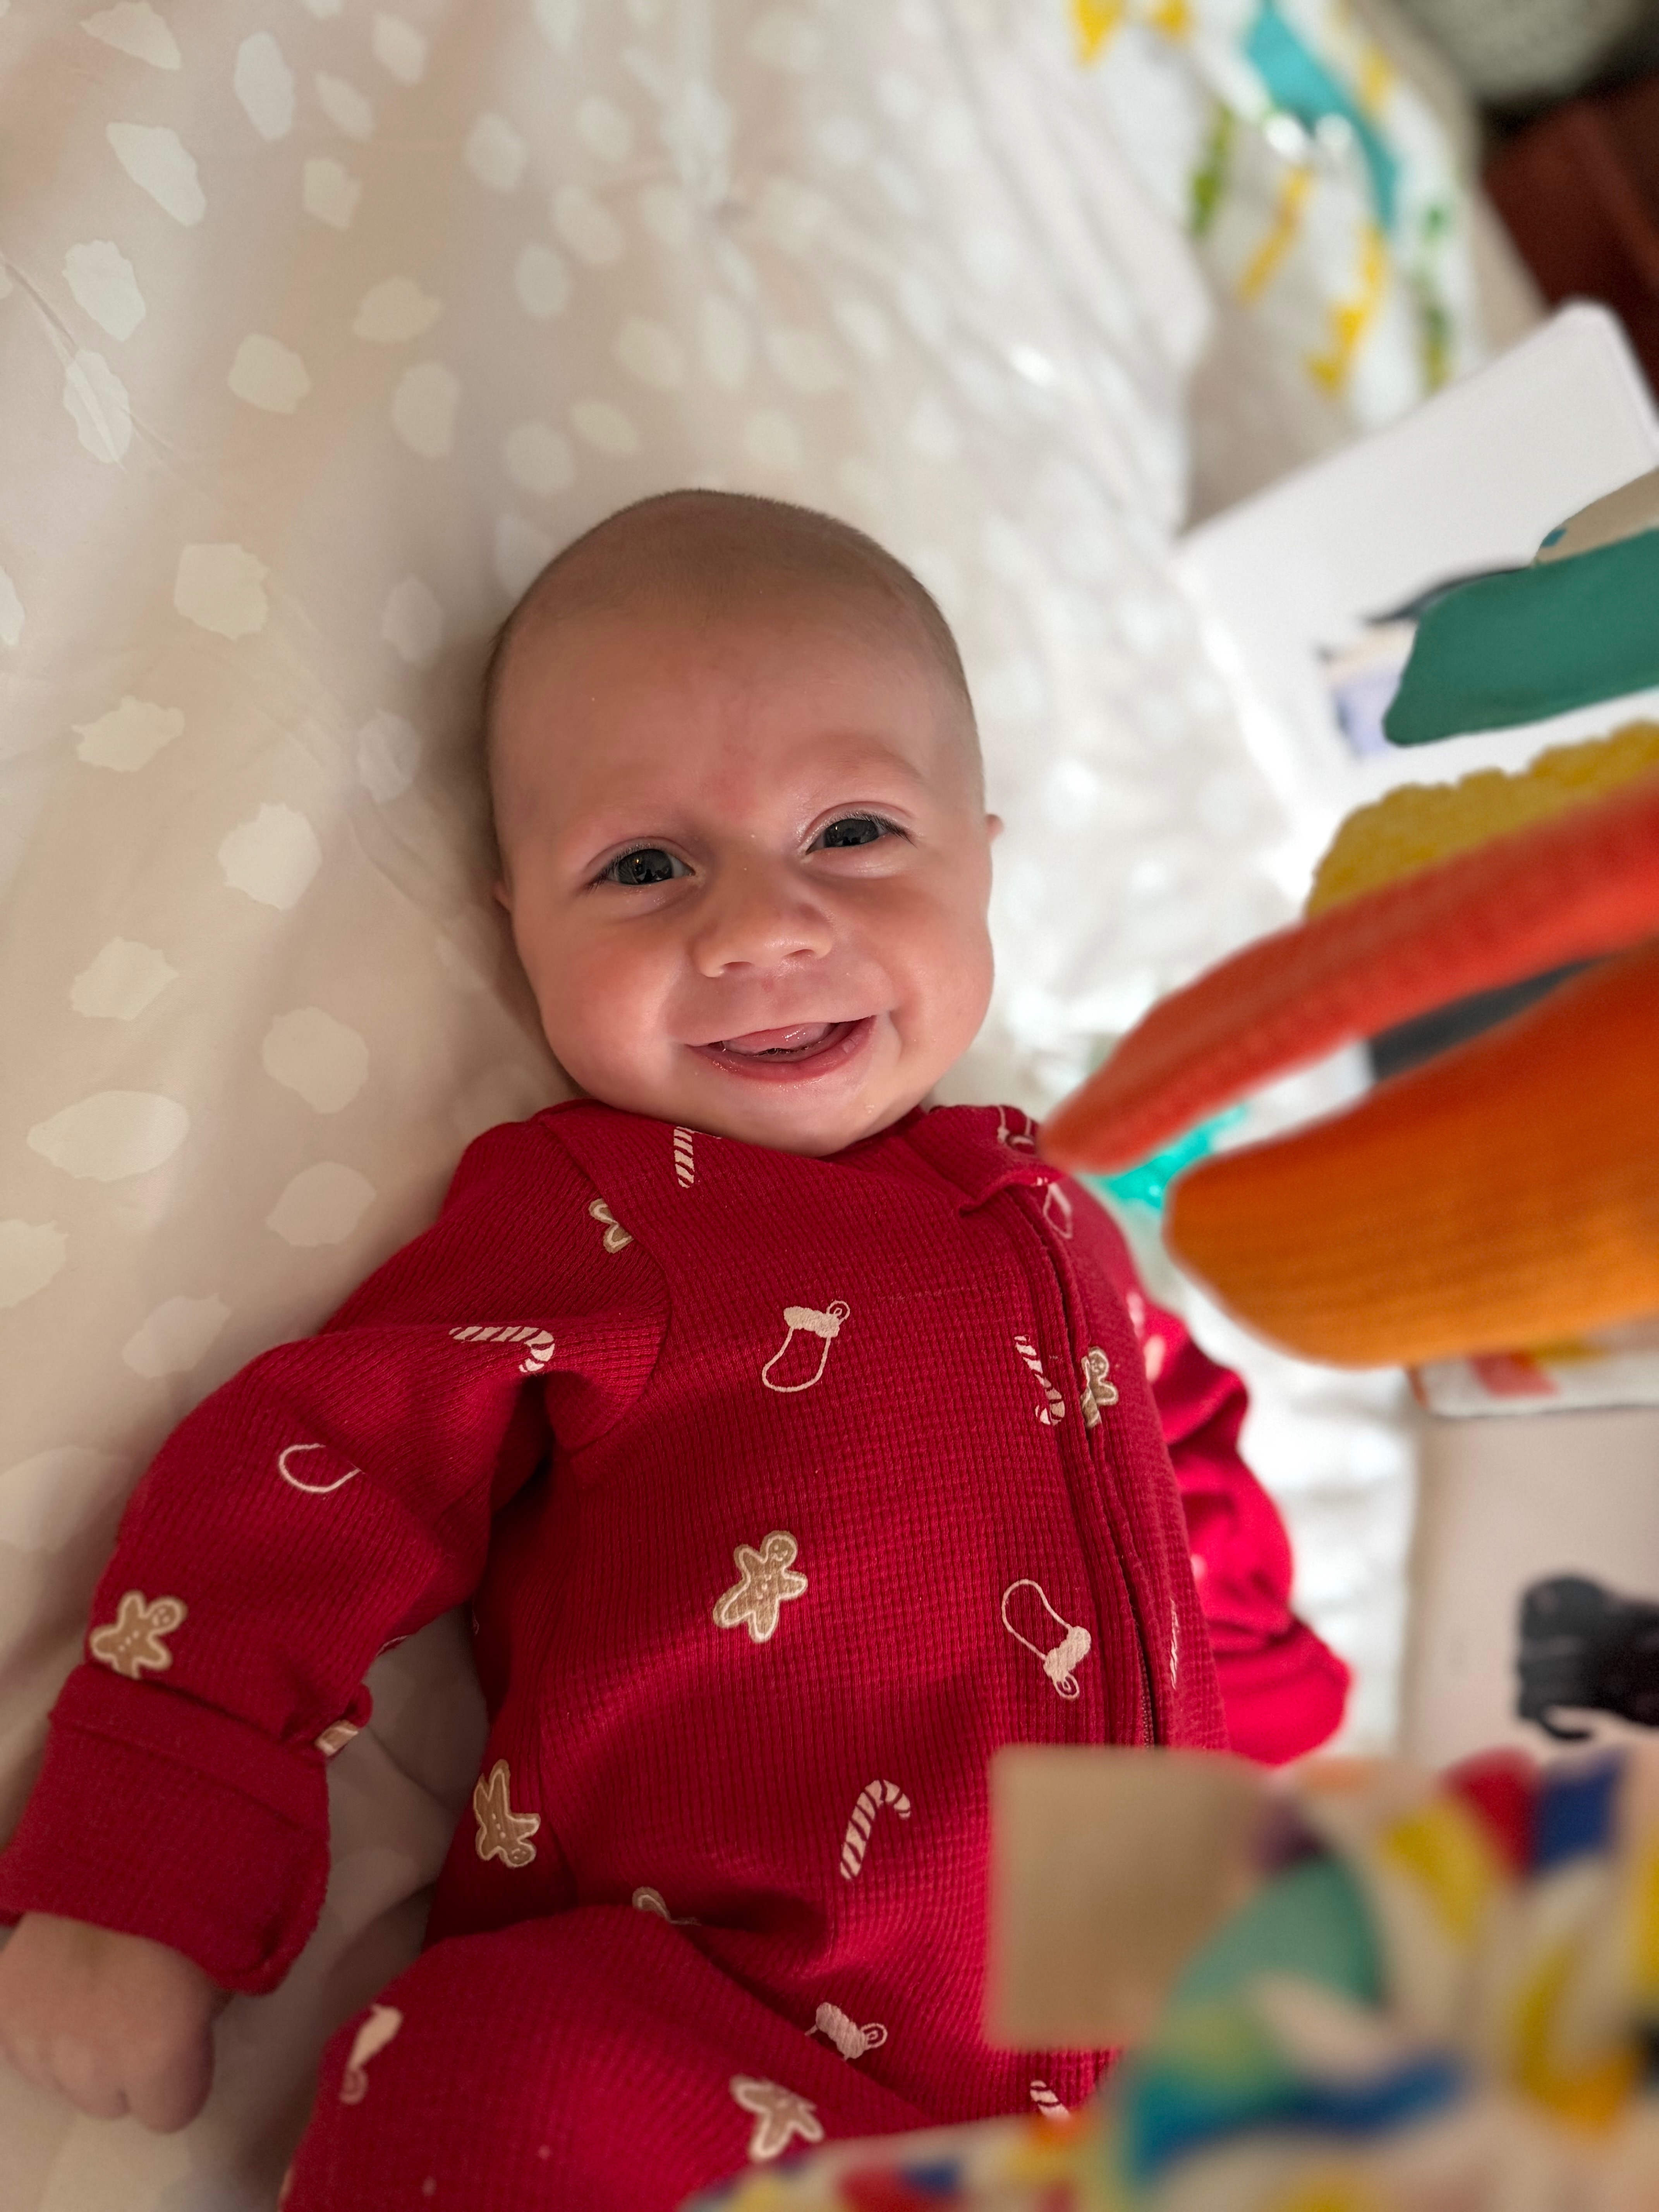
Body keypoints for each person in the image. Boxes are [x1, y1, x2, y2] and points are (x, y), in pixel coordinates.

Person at [0, 492, 1346, 2209]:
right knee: (496, 2060)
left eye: (852, 832)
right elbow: (319, 1472)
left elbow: (1185, 1479)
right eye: (645, 868)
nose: (761, 928)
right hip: (734, 2035)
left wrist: (1275, 1717)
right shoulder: (608, 1209)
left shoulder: (1063, 1216)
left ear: (984, 857)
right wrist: (140, 1874)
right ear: (513, 918)